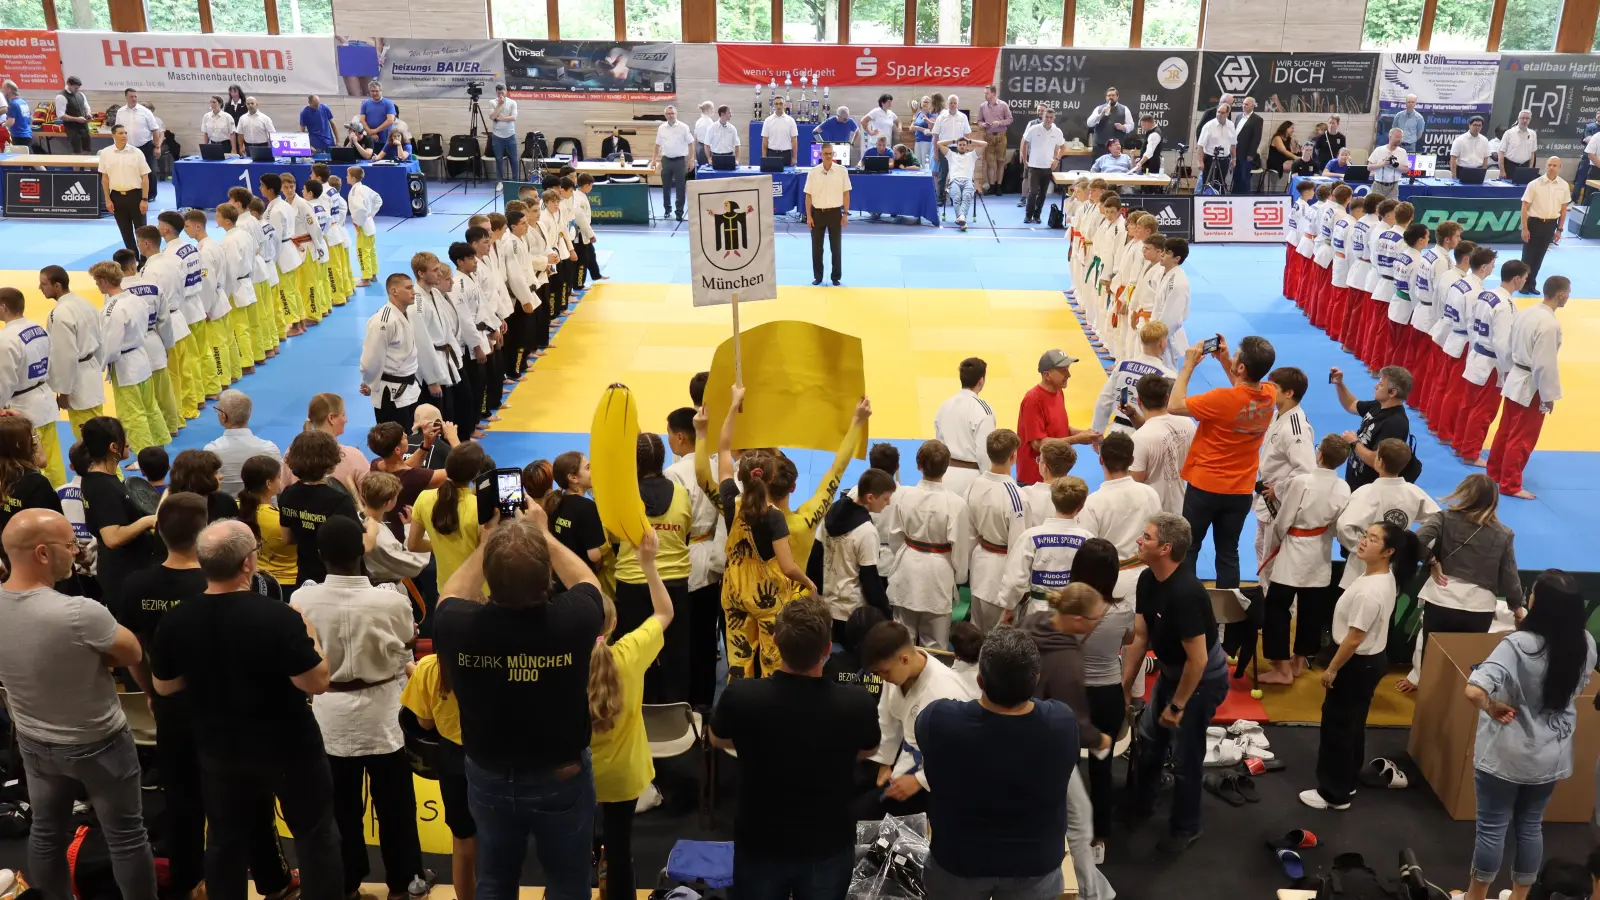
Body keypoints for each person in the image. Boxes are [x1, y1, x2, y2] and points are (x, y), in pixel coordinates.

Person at [149, 519, 340, 900]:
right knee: (315, 835)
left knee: (224, 841)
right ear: (248, 564)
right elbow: (316, 682)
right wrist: (313, 637)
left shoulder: (176, 620)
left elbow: (165, 687)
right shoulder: (280, 618)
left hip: (220, 748)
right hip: (289, 748)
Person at [430, 502, 606, 900]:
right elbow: (587, 581)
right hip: (561, 775)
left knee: (494, 880)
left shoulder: (459, 625)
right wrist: (542, 534)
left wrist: (488, 542)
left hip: (490, 774)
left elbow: (452, 592)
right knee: (569, 882)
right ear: (546, 577)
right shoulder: (573, 621)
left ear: (489, 580)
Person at [0, 506, 154, 900]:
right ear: (42, 554)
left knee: (46, 832)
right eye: (69, 544)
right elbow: (133, 652)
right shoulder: (79, 612)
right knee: (126, 837)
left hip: (34, 741)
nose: (78, 551)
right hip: (99, 742)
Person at [709, 595, 878, 899]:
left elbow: (717, 738)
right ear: (828, 650)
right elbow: (867, 750)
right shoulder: (856, 703)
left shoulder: (742, 696)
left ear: (773, 641)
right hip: (827, 842)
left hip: (760, 840)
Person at [295, 517, 429, 900]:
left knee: (339, 809)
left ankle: (347, 883)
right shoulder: (390, 600)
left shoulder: (302, 600)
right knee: (396, 806)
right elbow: (407, 641)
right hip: (383, 713)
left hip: (329, 714)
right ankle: (404, 884)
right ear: (362, 551)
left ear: (321, 556)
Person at [919, 625, 1088, 900]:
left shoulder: (940, 721)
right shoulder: (1062, 723)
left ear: (980, 681)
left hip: (959, 861)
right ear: (1036, 680)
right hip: (1034, 864)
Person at [1460, 570, 1596, 900]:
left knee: (1492, 828)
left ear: (1539, 603)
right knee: (1531, 825)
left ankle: (1475, 896)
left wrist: (1492, 707)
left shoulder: (1518, 644)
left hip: (1506, 753)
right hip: (1551, 753)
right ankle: (1520, 897)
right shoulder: (1586, 642)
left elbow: (1474, 690)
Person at [1122, 513, 1229, 853]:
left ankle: (1186, 827)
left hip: (1199, 680)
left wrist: (1177, 705)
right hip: (1172, 673)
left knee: (1186, 756)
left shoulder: (1186, 594)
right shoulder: (1147, 579)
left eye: (1147, 537)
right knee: (1151, 738)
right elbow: (1140, 638)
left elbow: (1196, 660)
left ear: (1166, 548)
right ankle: (1141, 803)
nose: (1139, 541)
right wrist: (1124, 688)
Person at [1300, 521, 1420, 810]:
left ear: (1389, 551)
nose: (1364, 541)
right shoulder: (1383, 577)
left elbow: (1354, 638)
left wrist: (1332, 669)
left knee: (1337, 727)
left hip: (1356, 664)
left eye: (1373, 539)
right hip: (1370, 662)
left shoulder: (1370, 591)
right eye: (1366, 535)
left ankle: (1334, 794)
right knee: (1352, 725)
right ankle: (1347, 782)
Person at [589, 528, 674, 900]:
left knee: (576, 847)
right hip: (623, 776)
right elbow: (664, 612)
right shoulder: (628, 654)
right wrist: (648, 565)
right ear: (612, 625)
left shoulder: (561, 665)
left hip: (577, 777)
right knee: (619, 849)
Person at [1169, 335, 1277, 588]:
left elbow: (1174, 405)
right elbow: (1244, 391)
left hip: (1205, 486)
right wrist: (1225, 360)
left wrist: (1188, 366)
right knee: (1228, 552)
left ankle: (1187, 604)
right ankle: (1230, 615)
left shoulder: (1220, 399)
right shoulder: (1270, 395)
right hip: (1240, 489)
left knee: (1190, 546)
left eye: (1237, 356)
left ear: (1242, 367)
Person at [1259, 434, 1351, 685]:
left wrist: (1274, 545)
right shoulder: (1344, 487)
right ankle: (1299, 661)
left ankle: (1282, 668)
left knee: (1277, 606)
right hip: (1321, 549)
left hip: (1294, 547)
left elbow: (1284, 518)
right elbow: (1338, 524)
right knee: (1311, 608)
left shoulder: (1302, 482)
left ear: (1319, 455)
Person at [860, 620, 974, 820]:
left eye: (884, 672)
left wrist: (919, 781)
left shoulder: (946, 690)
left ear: (904, 659)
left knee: (862, 815)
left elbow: (962, 753)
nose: (883, 678)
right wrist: (884, 764)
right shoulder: (895, 673)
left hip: (939, 779)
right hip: (904, 763)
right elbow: (887, 718)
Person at [1486, 276, 1568, 500]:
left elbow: (1507, 344)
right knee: (1522, 436)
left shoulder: (1526, 312)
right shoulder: (1550, 324)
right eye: (1568, 293)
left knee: (1505, 430)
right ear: (1560, 294)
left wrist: (1508, 371)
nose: (1568, 297)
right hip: (1531, 385)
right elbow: (1544, 364)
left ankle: (1494, 472)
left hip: (1515, 377)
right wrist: (1548, 395)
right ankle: (1510, 483)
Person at [885, 440, 971, 648]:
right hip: (938, 573)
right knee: (935, 646)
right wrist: (959, 577)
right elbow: (960, 548)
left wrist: (908, 556)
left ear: (918, 466)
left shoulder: (904, 495)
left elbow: (895, 537)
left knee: (901, 643)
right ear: (948, 465)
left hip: (907, 569)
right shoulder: (956, 504)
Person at [1445, 260, 1524, 464]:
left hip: (1476, 355)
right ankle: (1470, 453)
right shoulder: (1506, 305)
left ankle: (1459, 445)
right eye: (1524, 278)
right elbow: (1502, 341)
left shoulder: (1485, 294)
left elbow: (1471, 323)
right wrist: (1507, 370)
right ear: (1516, 279)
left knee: (1467, 405)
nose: (1525, 281)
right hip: (1492, 363)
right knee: (1483, 411)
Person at [89, 262, 168, 455]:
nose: (97, 286)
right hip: (142, 356)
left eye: (97, 282)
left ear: (104, 281)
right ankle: (159, 446)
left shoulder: (112, 309)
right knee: (150, 407)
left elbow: (110, 344)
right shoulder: (136, 299)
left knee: (133, 415)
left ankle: (144, 455)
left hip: (125, 365)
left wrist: (99, 366)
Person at [998, 476, 1094, 621]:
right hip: (1073, 614)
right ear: (1080, 507)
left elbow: (1015, 581)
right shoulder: (1087, 539)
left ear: (1053, 501)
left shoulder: (1031, 536)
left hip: (1037, 614)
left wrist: (1009, 607)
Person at [278, 430, 361, 591]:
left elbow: (287, 539)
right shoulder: (339, 501)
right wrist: (372, 525)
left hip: (305, 577)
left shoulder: (287, 495)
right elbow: (360, 546)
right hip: (339, 580)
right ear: (331, 461)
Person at [964, 430, 1027, 633]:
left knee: (977, 633)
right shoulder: (1016, 496)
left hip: (979, 568)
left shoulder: (973, 484)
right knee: (998, 643)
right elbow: (1018, 549)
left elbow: (968, 530)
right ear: (1013, 456)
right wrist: (1014, 596)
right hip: (1001, 578)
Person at [822, 467, 895, 630]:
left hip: (826, 604)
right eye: (885, 499)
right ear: (870, 497)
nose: (888, 503)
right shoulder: (866, 531)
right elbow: (869, 579)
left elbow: (815, 556)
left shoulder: (828, 515)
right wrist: (886, 613)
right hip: (852, 611)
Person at [1017, 349, 1097, 486]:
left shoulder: (1058, 392)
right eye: (1063, 370)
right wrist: (1077, 439)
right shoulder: (1033, 400)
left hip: (1055, 473)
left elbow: (1060, 427)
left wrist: (1087, 434)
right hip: (1035, 478)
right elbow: (1038, 444)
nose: (1069, 375)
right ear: (1047, 375)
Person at [1330, 364, 1411, 492]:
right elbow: (1351, 404)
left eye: (1381, 384)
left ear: (1392, 392)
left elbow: (1377, 460)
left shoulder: (1395, 424)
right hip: (1355, 480)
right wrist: (1340, 384)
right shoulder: (1379, 405)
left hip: (1369, 490)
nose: (1376, 386)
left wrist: (1354, 442)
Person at [1130, 373, 1197, 517]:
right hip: (1183, 507)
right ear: (1167, 398)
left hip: (1152, 514)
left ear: (1139, 401)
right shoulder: (1188, 423)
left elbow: (1134, 484)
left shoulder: (1139, 438)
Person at [362, 273, 423, 428]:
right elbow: (371, 359)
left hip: (410, 388)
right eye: (408, 288)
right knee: (394, 442)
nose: (413, 292)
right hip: (391, 394)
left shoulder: (407, 313)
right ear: (394, 291)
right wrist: (370, 383)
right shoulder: (383, 321)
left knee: (411, 440)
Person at [933, 357, 995, 498]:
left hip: (944, 475)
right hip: (970, 480)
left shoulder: (944, 406)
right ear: (981, 380)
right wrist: (989, 483)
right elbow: (984, 452)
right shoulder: (983, 409)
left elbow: (938, 443)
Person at [203, 389, 282, 497]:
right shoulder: (269, 448)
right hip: (264, 510)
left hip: (227, 510)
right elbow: (278, 486)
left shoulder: (211, 451)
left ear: (223, 416)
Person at [237, 454, 298, 592]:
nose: (280, 481)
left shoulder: (235, 508)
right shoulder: (281, 520)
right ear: (269, 483)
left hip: (251, 580)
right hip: (287, 582)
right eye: (278, 477)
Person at [98, 125, 152, 252]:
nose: (124, 136)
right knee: (125, 231)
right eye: (121, 133)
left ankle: (145, 260)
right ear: (113, 136)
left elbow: (145, 178)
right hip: (116, 196)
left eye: (125, 133)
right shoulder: (106, 153)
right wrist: (107, 199)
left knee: (141, 231)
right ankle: (132, 258)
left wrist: (144, 199)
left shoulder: (137, 152)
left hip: (135, 196)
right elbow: (105, 179)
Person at [1519, 156, 1569, 292]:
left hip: (1550, 225)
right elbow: (1524, 207)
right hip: (1534, 223)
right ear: (1546, 166)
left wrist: (1559, 229)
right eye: (1550, 165)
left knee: (1539, 256)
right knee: (1528, 256)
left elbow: (1564, 209)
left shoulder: (1564, 185)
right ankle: (1523, 284)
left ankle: (1532, 285)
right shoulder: (1535, 184)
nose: (1552, 167)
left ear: (1560, 167)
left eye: (1555, 165)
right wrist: (1524, 228)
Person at [804, 142, 851, 287]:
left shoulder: (842, 171)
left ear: (833, 154)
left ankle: (835, 277)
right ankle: (818, 276)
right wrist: (809, 216)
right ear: (820, 155)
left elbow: (846, 194)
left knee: (836, 247)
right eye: (826, 154)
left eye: (831, 153)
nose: (829, 156)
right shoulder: (813, 172)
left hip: (835, 213)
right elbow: (808, 196)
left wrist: (845, 214)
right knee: (816, 248)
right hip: (817, 213)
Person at [305, 392, 369, 496]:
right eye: (343, 415)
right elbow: (372, 499)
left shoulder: (291, 454)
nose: (346, 419)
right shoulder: (353, 457)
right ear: (331, 418)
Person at [114, 89, 162, 200]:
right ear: (126, 98)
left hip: (145, 146)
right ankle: (132, 192)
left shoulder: (145, 112)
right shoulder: (120, 112)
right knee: (129, 171)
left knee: (149, 171)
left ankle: (151, 194)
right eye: (131, 96)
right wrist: (117, 145)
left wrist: (157, 147)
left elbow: (155, 130)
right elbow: (117, 129)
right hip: (127, 146)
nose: (134, 99)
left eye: (135, 96)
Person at [1020, 107, 1065, 225]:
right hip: (1034, 166)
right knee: (1033, 191)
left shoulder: (1057, 131)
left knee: (1043, 194)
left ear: (1054, 118)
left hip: (1048, 167)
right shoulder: (1034, 129)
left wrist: (1056, 160)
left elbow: (1063, 147)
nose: (1048, 120)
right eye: (1046, 117)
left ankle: (1037, 215)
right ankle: (1028, 215)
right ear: (1042, 117)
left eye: (1051, 118)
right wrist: (1025, 160)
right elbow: (1024, 143)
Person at [652, 105, 694, 222]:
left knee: (680, 188)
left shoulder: (683, 127)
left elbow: (691, 144)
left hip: (680, 161)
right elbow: (657, 145)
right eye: (668, 114)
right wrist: (654, 160)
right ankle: (667, 210)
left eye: (673, 113)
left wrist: (691, 159)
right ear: (665, 115)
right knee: (666, 187)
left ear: (676, 114)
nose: (671, 116)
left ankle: (679, 212)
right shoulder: (661, 128)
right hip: (666, 160)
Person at [938, 134, 986, 231]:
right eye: (960, 145)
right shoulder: (951, 155)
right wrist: (953, 140)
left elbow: (985, 144)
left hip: (968, 181)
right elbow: (939, 143)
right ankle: (962, 218)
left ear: (967, 146)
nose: (962, 146)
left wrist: (970, 140)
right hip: (954, 181)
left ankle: (961, 218)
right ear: (957, 146)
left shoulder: (972, 155)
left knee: (967, 196)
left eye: (964, 145)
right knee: (957, 197)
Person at [932, 94, 972, 205]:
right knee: (942, 174)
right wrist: (935, 153)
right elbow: (936, 136)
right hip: (944, 149)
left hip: (958, 150)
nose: (953, 105)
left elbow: (967, 133)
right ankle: (940, 197)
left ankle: (955, 197)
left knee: (957, 175)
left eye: (955, 103)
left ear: (957, 104)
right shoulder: (941, 117)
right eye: (951, 103)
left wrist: (966, 149)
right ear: (947, 104)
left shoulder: (963, 117)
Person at [976, 84, 1012, 193]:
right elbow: (979, 121)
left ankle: (999, 186)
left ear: (993, 93)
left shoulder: (1003, 105)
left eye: (987, 93)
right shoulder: (983, 106)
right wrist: (982, 125)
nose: (985, 95)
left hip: (1001, 136)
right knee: (990, 162)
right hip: (988, 136)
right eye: (985, 93)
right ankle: (992, 185)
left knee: (1001, 161)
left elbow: (1010, 119)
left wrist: (999, 123)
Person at [1196, 104, 1237, 190]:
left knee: (1220, 184)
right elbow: (1200, 145)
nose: (1219, 114)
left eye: (1222, 113)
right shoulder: (1209, 126)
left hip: (1224, 159)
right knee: (1207, 184)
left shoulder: (1231, 125)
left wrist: (1234, 159)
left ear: (1227, 114)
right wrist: (1200, 162)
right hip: (1210, 159)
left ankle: (1218, 201)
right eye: (1218, 112)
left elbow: (1233, 144)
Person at [1087, 86, 1133, 157]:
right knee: (1097, 168)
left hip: (1116, 149)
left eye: (1113, 95)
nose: (1111, 97)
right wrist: (1101, 114)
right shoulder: (1099, 109)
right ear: (1106, 97)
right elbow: (1089, 123)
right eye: (1109, 95)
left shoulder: (1124, 109)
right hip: (1100, 148)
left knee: (1115, 168)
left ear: (1117, 97)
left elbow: (1131, 125)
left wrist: (1123, 127)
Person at [487, 83, 519, 182]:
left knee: (513, 159)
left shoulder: (512, 102)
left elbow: (513, 117)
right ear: (496, 93)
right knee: (499, 160)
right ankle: (500, 181)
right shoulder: (492, 102)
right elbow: (492, 117)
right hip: (497, 136)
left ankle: (515, 181)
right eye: (498, 93)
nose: (500, 95)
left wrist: (502, 118)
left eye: (502, 92)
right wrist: (499, 105)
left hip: (510, 135)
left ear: (506, 92)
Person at [1233, 96, 1263, 193]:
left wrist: (1251, 153)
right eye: (1243, 104)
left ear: (1253, 106)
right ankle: (1234, 195)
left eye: (1246, 104)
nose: (1243, 106)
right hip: (1235, 151)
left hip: (1246, 153)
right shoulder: (1238, 116)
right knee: (1236, 175)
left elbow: (1256, 138)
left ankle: (1244, 197)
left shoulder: (1257, 119)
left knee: (1244, 176)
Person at [55, 75, 92, 153]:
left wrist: (88, 114)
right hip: (72, 129)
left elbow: (87, 107)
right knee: (77, 152)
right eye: (75, 88)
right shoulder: (61, 97)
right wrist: (77, 119)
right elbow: (61, 115)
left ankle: (87, 165)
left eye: (78, 88)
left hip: (84, 127)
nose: (77, 90)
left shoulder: (81, 94)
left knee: (87, 151)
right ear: (68, 84)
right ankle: (77, 165)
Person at [760, 96, 799, 166]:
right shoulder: (768, 121)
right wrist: (764, 158)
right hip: (772, 154)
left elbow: (794, 141)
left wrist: (794, 158)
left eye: (781, 104)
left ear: (784, 105)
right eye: (776, 104)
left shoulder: (791, 121)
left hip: (786, 155)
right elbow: (765, 141)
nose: (778, 106)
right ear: (773, 106)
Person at [1500, 109, 1537, 178]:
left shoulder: (1533, 134)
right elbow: (1501, 152)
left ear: (1530, 119)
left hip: (1525, 167)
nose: (1525, 120)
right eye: (1523, 118)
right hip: (1510, 166)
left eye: (1527, 118)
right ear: (1518, 119)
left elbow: (1532, 153)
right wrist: (1502, 171)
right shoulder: (1509, 133)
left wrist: (1530, 169)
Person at [1451, 116, 1492, 181]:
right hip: (1463, 170)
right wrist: (1454, 176)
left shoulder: (1484, 140)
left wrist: (1483, 173)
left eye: (1479, 125)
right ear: (1469, 125)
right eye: (1475, 125)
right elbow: (1453, 159)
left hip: (1478, 171)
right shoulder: (1459, 140)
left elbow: (1485, 159)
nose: (1477, 127)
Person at [361, 80, 399, 148]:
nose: (374, 93)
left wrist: (375, 130)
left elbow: (390, 120)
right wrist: (370, 132)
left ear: (381, 91)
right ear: (369, 92)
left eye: (377, 91)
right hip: (370, 138)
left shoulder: (388, 103)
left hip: (386, 139)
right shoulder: (365, 104)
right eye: (372, 91)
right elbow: (362, 120)